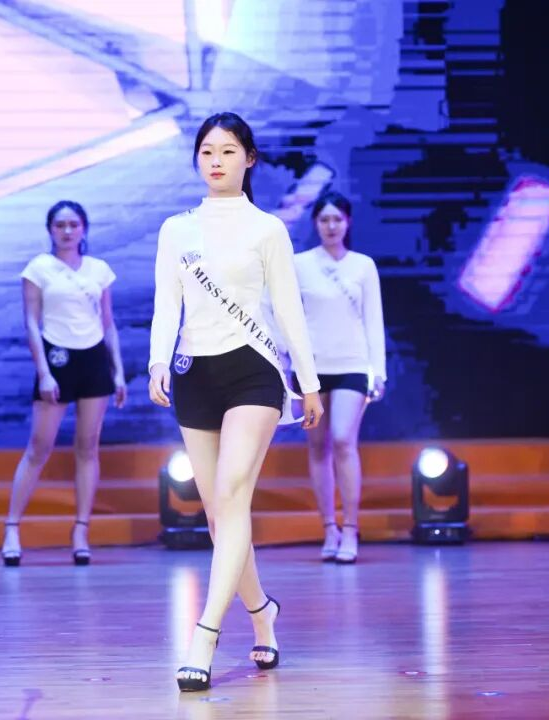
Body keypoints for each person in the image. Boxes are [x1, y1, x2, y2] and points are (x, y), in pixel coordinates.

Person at [148, 112, 324, 692]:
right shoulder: (177, 229)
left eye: (227, 151)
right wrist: (156, 361)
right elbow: (166, 302)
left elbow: (289, 308)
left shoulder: (267, 229)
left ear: (250, 159)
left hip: (254, 371)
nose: (216, 161)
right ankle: (262, 614)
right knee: (220, 515)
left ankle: (203, 636)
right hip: (194, 371)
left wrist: (308, 381)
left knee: (231, 495)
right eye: (206, 151)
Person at [0, 200, 127, 567]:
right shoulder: (39, 268)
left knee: (87, 447)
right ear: (50, 230)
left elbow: (108, 324)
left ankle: (81, 531)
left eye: (73, 224)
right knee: (40, 446)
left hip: (93, 360)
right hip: (57, 357)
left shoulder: (99, 270)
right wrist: (43, 371)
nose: (67, 231)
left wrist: (117, 371)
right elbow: (31, 322)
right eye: (60, 225)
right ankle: (12, 527)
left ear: (83, 228)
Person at [293, 191, 386, 564]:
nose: (331, 226)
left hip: (353, 364)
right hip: (311, 368)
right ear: (315, 224)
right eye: (324, 220)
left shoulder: (363, 266)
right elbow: (284, 313)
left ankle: (350, 528)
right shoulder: (300, 264)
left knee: (344, 440)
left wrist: (378, 371)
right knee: (318, 447)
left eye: (337, 219)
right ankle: (328, 527)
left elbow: (373, 320)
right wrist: (284, 357)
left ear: (348, 223)